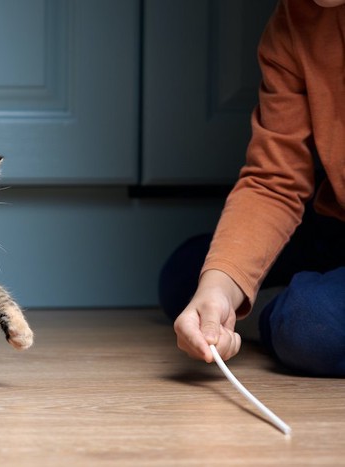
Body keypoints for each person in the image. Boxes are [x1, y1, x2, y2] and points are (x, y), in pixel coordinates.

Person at [161, 0, 345, 377]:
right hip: (335, 221)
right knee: (188, 278)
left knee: (311, 325)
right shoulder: (295, 19)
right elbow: (274, 180)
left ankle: (283, 311)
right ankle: (273, 305)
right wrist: (221, 288)